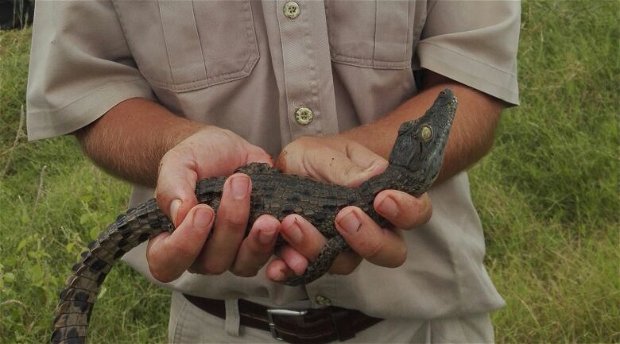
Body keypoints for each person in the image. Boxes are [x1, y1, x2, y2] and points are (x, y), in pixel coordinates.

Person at [27, 1, 520, 343]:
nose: (431, 131)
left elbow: (472, 82)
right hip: (216, 324)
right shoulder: (368, 202)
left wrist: (352, 154)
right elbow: (85, 90)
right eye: (424, 139)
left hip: (425, 324)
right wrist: (179, 148)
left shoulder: (375, 194)